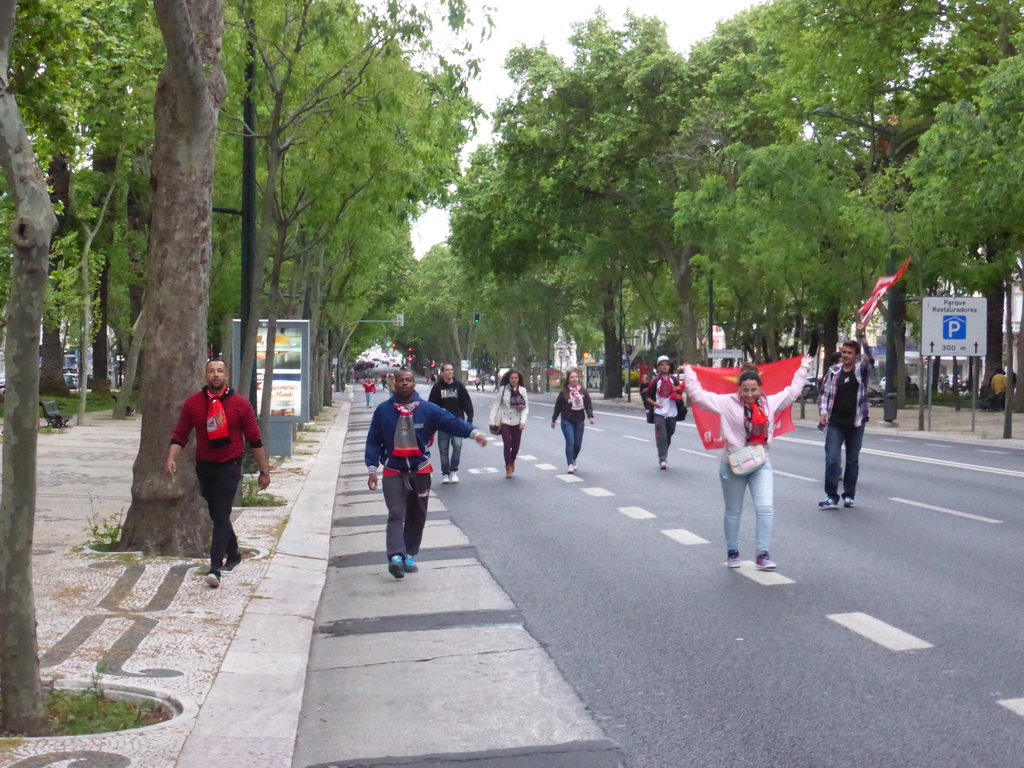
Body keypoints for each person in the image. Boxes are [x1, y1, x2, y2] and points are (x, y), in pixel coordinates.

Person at [684, 357, 811, 571]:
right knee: (733, 511)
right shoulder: (726, 403)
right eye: (745, 390)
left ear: (761, 388)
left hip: (760, 462)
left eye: (754, 389)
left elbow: (792, 392)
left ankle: (763, 554)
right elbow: (699, 396)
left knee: (765, 508)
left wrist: (804, 367)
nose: (750, 394)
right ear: (739, 389)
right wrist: (689, 372)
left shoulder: (769, 402)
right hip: (733, 464)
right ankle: (733, 552)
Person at [366, 369, 487, 579]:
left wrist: (473, 432)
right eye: (401, 380)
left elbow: (452, 422)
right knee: (396, 514)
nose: (405, 384)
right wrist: (371, 469)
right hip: (393, 470)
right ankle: (396, 556)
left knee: (417, 515)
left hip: (420, 470)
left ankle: (410, 554)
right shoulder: (383, 411)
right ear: (394, 383)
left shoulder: (427, 410)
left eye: (409, 380)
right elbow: (374, 440)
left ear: (414, 384)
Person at [166, 359, 271, 588]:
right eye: (212, 371)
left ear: (226, 375)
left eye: (220, 371)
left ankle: (215, 568)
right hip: (204, 465)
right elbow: (181, 433)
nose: (216, 375)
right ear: (205, 375)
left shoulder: (240, 404)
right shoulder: (194, 403)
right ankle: (233, 555)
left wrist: (264, 471)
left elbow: (254, 439)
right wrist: (171, 458)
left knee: (222, 515)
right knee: (217, 514)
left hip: (230, 464)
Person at [817, 323, 875, 509]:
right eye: (844, 352)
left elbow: (871, 359)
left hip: (856, 423)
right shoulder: (834, 372)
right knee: (832, 459)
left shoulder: (860, 370)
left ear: (856, 355)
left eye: (850, 353)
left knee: (852, 460)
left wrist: (863, 336)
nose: (846, 356)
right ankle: (831, 496)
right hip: (835, 423)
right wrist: (823, 412)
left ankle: (849, 495)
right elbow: (824, 394)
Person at [428, 363, 475, 484]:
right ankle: (445, 473)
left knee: (457, 446)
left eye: (451, 370)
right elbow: (431, 405)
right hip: (442, 424)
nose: (450, 372)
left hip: (457, 423)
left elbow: (466, 401)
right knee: (443, 450)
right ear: (442, 372)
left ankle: (454, 470)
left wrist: (469, 417)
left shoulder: (458, 386)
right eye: (447, 370)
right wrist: (432, 422)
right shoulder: (437, 387)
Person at [643, 355, 685, 470]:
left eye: (667, 364)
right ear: (658, 367)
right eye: (662, 365)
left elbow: (680, 392)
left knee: (669, 433)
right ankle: (662, 459)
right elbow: (647, 396)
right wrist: (655, 404)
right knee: (661, 435)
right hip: (659, 412)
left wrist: (676, 393)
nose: (665, 367)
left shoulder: (674, 380)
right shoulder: (655, 381)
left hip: (672, 412)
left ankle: (664, 450)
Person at [550, 368, 594, 474]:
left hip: (579, 420)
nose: (574, 379)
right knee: (570, 441)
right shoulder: (564, 392)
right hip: (567, 420)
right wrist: (554, 419)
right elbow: (558, 406)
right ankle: (570, 464)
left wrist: (590, 416)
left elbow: (588, 405)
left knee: (577, 444)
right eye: (572, 377)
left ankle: (574, 458)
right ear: (568, 380)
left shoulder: (583, 392)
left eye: (576, 377)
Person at [489, 368, 529, 478]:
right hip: (504, 419)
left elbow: (525, 408)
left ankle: (512, 461)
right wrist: (492, 420)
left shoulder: (522, 390)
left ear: (519, 379)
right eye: (512, 378)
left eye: (516, 378)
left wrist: (522, 421)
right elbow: (496, 404)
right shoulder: (503, 389)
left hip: (517, 420)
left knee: (515, 447)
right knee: (507, 444)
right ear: (508, 379)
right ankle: (508, 467)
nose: (514, 380)